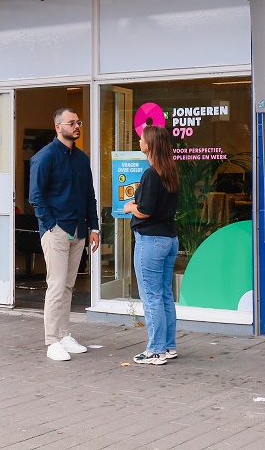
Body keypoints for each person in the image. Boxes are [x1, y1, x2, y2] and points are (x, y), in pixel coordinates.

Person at [28, 108, 100, 362]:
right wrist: (51, 226)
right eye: (72, 123)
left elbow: (89, 195)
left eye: (78, 122)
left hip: (79, 230)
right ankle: (52, 341)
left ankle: (64, 334)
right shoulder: (44, 158)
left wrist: (94, 227)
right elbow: (35, 196)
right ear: (58, 127)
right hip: (57, 230)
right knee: (56, 285)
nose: (77, 126)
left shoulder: (81, 159)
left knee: (68, 285)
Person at [122, 125, 180, 365]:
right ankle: (168, 346)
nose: (138, 140)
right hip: (169, 239)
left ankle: (155, 350)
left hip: (151, 241)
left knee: (151, 297)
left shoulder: (150, 174)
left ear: (151, 144)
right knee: (165, 295)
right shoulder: (170, 173)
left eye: (142, 138)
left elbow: (144, 210)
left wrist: (129, 207)